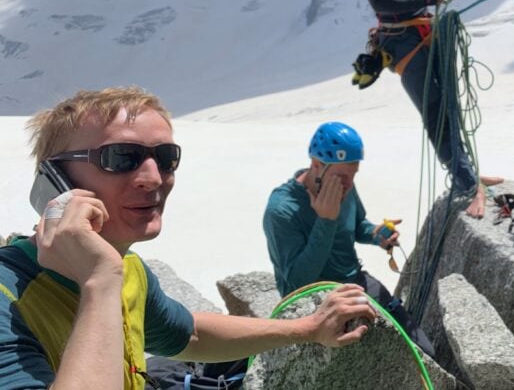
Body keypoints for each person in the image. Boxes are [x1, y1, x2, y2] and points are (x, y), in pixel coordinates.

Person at [0, 87, 377, 389]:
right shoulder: (8, 300)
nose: (154, 177)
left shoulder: (129, 269)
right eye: (120, 157)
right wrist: (99, 281)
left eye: (166, 158)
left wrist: (307, 329)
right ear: (55, 181)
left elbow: (191, 335)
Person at [358, 0, 500, 218]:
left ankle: (466, 172)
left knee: (450, 104)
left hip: (426, 33)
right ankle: (467, 184)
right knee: (435, 110)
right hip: (401, 41)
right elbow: (381, 2)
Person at [262, 121, 434, 356]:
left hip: (355, 281)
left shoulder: (343, 186)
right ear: (316, 166)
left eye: (353, 175)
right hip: (314, 301)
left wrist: (378, 234)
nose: (348, 184)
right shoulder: (282, 210)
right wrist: (326, 220)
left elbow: (358, 226)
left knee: (424, 351)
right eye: (342, 176)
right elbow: (296, 283)